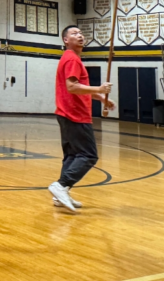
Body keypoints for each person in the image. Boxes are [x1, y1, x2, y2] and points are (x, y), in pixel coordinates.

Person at [48, 25, 115, 213]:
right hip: (75, 114)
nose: (79, 35)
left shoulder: (71, 58)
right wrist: (99, 89)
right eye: (74, 33)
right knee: (88, 155)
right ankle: (61, 185)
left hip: (66, 114)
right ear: (65, 40)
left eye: (80, 33)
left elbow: (80, 88)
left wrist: (100, 98)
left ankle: (60, 194)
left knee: (72, 156)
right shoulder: (72, 59)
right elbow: (72, 87)